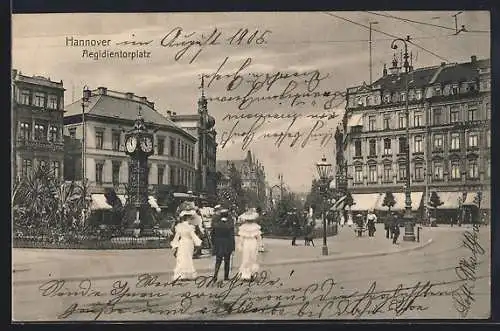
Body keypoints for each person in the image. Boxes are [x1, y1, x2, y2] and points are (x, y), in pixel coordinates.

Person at [170, 209, 203, 281]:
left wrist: (175, 245)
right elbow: (193, 236)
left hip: (182, 243)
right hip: (188, 243)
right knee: (188, 258)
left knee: (181, 258)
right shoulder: (190, 227)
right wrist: (198, 243)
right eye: (189, 217)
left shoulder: (179, 226)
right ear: (187, 218)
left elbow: (176, 237)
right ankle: (188, 274)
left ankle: (181, 275)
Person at [211, 208, 236, 281]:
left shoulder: (216, 224)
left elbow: (212, 235)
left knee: (218, 261)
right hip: (227, 244)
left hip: (218, 244)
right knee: (227, 261)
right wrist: (233, 247)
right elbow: (232, 237)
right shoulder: (230, 225)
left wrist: (214, 243)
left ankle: (215, 275)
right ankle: (226, 276)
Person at [237, 210, 262, 281]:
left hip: (247, 242)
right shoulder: (255, 227)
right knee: (251, 258)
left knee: (248, 257)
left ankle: (247, 274)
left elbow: (241, 238)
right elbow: (258, 237)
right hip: (252, 242)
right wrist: (260, 244)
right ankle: (250, 274)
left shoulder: (243, 227)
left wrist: (240, 245)